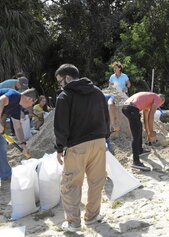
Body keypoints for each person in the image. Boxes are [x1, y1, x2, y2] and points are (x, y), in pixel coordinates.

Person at [54, 64, 109, 232]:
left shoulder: (65, 96)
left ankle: (73, 223)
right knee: (97, 181)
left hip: (77, 145)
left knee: (71, 183)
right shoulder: (98, 92)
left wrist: (59, 148)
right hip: (99, 142)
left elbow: (60, 126)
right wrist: (105, 138)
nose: (60, 85)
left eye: (60, 81)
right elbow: (106, 117)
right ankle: (92, 218)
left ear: (68, 77)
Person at [0, 88, 38, 180]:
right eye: (32, 103)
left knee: (2, 145)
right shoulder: (14, 95)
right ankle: (6, 174)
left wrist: (23, 144)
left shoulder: (17, 107)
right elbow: (1, 100)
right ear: (29, 99)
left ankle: (6, 174)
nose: (30, 106)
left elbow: (17, 126)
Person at [122, 92, 165, 171]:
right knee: (136, 135)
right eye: (161, 104)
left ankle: (140, 150)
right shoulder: (158, 98)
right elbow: (151, 115)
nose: (159, 105)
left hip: (127, 107)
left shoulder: (148, 99)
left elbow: (146, 118)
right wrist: (152, 131)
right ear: (162, 100)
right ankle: (136, 161)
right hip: (132, 108)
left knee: (139, 127)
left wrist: (148, 132)